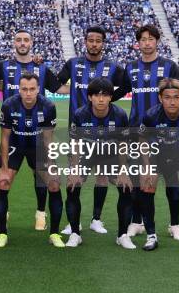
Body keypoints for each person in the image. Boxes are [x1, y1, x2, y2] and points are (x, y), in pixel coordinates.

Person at [0, 29, 68, 231]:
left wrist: (82, 86)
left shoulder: (41, 67)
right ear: (14, 43)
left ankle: (41, 213)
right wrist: (6, 88)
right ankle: (2, 216)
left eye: (26, 40)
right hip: (14, 135)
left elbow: (58, 88)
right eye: (18, 40)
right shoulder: (4, 67)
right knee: (5, 179)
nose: (22, 43)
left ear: (31, 43)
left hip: (38, 137)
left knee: (42, 178)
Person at [113, 25, 179, 240]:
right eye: (142, 39)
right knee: (137, 178)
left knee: (171, 178)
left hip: (165, 132)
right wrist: (103, 96)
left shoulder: (169, 66)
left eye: (150, 39)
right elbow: (121, 90)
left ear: (157, 42)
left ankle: (175, 225)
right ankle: (137, 221)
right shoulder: (131, 67)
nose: (146, 42)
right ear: (138, 43)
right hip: (137, 130)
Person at [58, 25, 125, 235]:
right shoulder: (73, 64)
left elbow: (124, 87)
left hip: (105, 130)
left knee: (103, 176)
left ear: (103, 43)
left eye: (98, 40)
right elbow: (56, 85)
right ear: (85, 42)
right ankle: (73, 222)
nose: (94, 44)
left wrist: (108, 101)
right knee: (74, 173)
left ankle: (97, 218)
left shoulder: (113, 67)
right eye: (91, 40)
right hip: (79, 128)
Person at [0, 72, 63, 248]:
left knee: (53, 183)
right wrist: (3, 167)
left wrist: (51, 164)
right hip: (15, 145)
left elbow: (48, 139)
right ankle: (2, 233)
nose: (28, 93)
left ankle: (54, 232)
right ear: (19, 89)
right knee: (3, 182)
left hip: (38, 146)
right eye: (24, 89)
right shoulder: (9, 105)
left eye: (32, 89)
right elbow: (4, 138)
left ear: (38, 89)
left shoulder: (48, 106)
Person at [67, 78, 135, 249]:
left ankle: (122, 235)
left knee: (126, 187)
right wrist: (74, 170)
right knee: (72, 186)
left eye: (105, 95)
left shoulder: (119, 115)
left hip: (110, 155)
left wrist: (123, 171)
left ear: (111, 97)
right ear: (90, 97)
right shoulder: (80, 114)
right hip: (87, 153)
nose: (101, 99)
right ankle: (75, 233)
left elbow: (123, 145)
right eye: (96, 95)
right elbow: (74, 143)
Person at [138, 78, 179, 252]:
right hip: (157, 154)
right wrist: (146, 167)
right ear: (160, 98)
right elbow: (143, 139)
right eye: (167, 97)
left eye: (176, 97)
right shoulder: (151, 115)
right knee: (148, 184)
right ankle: (151, 236)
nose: (172, 101)